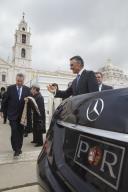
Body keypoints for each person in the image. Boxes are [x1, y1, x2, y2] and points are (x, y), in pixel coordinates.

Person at [0, 73, 30, 156]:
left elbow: (30, 101)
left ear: (23, 81)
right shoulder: (10, 88)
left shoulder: (27, 89)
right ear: (15, 80)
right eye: (18, 81)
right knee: (14, 131)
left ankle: (19, 148)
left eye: (21, 81)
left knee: (20, 132)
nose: (19, 82)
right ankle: (16, 149)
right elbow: (5, 100)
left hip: (22, 116)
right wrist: (1, 110)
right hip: (12, 114)